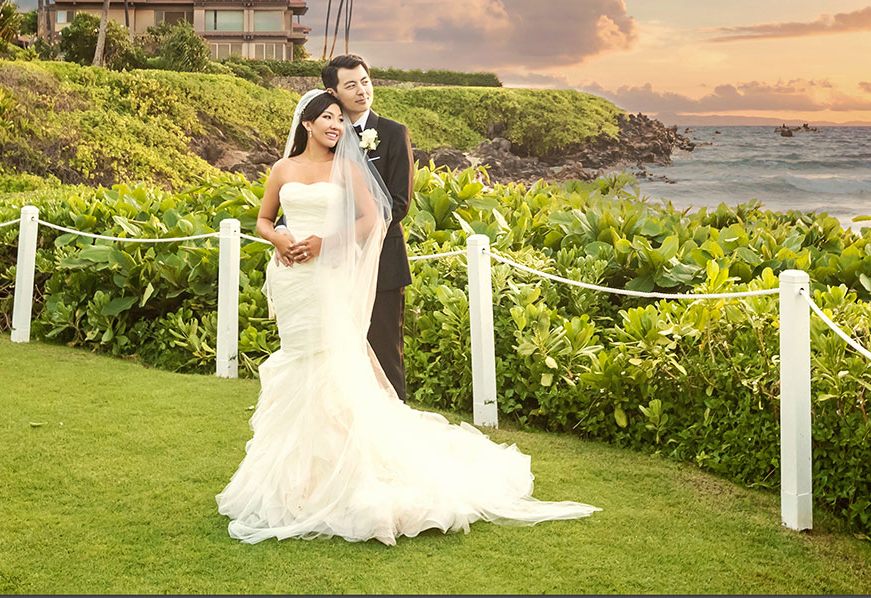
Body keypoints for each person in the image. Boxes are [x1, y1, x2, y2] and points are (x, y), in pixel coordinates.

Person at [216, 89, 597, 544]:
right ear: (307, 124)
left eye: (341, 119)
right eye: (328, 118)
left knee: (334, 365)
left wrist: (323, 242)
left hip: (327, 276)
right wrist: (279, 241)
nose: (337, 125)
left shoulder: (350, 168)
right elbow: (263, 219)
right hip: (293, 281)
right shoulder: (283, 169)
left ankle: (346, 475)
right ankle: (297, 482)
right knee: (300, 363)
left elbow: (372, 220)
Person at [321, 53, 412, 400]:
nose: (362, 91)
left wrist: (353, 235)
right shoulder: (327, 134)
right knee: (340, 349)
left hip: (383, 263)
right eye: (351, 85)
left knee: (385, 350)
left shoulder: (392, 133)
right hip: (333, 265)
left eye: (365, 81)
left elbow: (399, 203)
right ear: (334, 92)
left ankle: (397, 426)